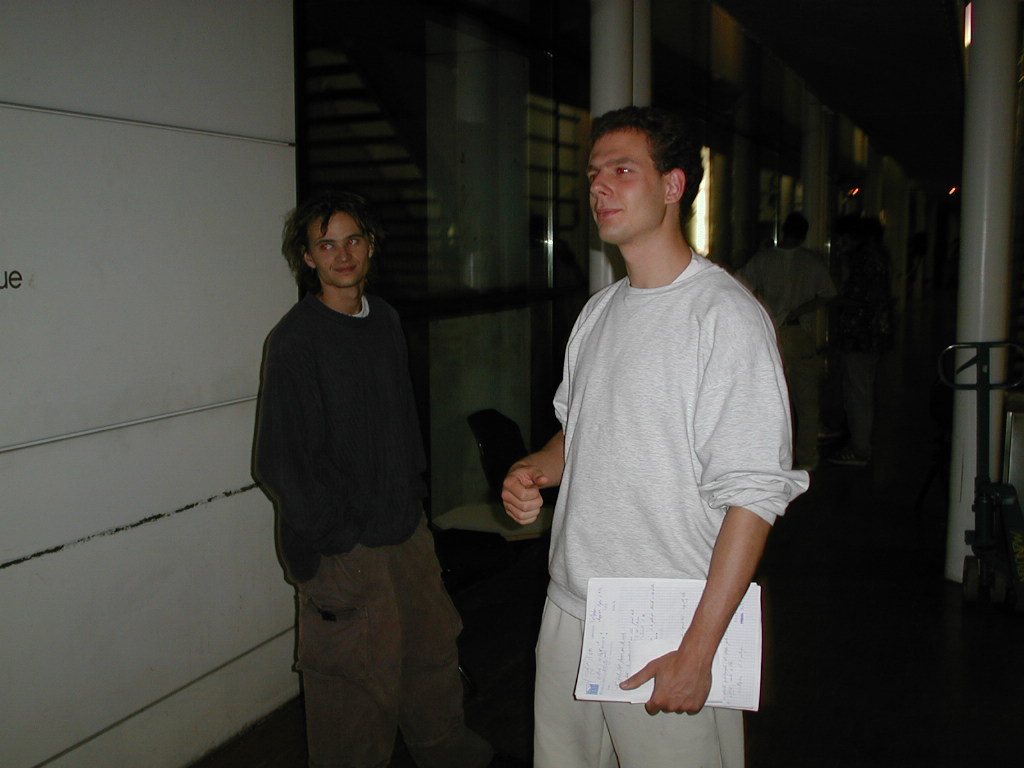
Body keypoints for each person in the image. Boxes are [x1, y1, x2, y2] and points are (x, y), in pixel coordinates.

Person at [501, 106, 809, 768]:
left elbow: (754, 496)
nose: (599, 187)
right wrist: (539, 468)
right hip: (570, 604)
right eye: (594, 173)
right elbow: (578, 434)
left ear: (673, 185)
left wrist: (699, 651)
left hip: (667, 617)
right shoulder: (599, 312)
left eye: (622, 170)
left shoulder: (724, 317)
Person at [253, 191, 494, 768]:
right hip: (344, 548)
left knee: (431, 655)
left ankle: (447, 754)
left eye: (353, 240)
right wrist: (339, 536)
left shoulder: (383, 318)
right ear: (307, 257)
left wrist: (413, 501)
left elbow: (399, 419)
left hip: (405, 529)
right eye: (326, 245)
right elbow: (277, 462)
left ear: (371, 245)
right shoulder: (295, 341)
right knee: (354, 687)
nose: (343, 255)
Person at [738, 211, 837, 470]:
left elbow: (740, 286)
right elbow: (828, 292)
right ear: (804, 235)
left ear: (783, 231)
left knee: (770, 399)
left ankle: (770, 458)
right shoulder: (812, 262)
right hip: (798, 331)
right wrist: (802, 309)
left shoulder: (763, 259)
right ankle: (808, 458)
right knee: (807, 401)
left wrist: (763, 308)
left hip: (771, 333)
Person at [829, 215, 893, 466]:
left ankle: (859, 448)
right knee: (863, 390)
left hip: (860, 337)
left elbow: (857, 300)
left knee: (857, 392)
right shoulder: (878, 257)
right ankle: (860, 442)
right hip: (871, 336)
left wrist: (838, 301)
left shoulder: (863, 261)